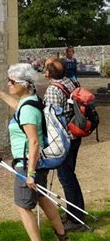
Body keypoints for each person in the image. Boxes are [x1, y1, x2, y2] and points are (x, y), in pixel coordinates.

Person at [0, 63, 75, 241]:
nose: (9, 84)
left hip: (28, 163)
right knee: (43, 199)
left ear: (25, 84)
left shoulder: (27, 110)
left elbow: (34, 142)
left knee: (23, 206)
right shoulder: (32, 101)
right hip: (37, 162)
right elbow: (18, 107)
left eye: (12, 82)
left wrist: (30, 173)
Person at [43, 57, 86, 231]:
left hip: (64, 139)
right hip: (75, 134)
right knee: (70, 176)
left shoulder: (54, 89)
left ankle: (75, 220)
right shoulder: (71, 82)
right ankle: (76, 213)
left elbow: (51, 118)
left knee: (66, 178)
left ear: (48, 72)